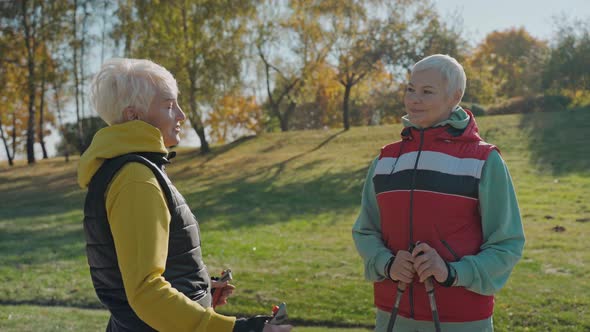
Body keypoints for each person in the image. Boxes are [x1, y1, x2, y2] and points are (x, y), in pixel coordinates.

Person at [78, 58, 292, 332]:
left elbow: (140, 270)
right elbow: (145, 291)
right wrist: (237, 329)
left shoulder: (133, 170)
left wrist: (198, 287)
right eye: (169, 106)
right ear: (134, 116)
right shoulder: (135, 179)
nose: (181, 115)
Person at [352, 54, 525, 331]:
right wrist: (387, 264)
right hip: (392, 317)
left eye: (426, 91)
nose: (414, 99)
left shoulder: (483, 160)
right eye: (410, 89)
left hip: (462, 319)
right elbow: (365, 231)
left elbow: (507, 244)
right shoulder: (385, 160)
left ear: (454, 97)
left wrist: (452, 272)